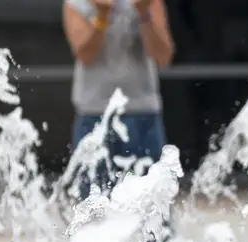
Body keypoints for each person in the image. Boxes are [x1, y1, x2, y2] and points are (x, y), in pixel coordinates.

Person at [63, 0, 175, 194]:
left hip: (142, 113)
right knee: (94, 210)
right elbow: (85, 55)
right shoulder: (76, 3)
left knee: (152, 210)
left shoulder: (148, 2)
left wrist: (144, 14)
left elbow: (162, 56)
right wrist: (101, 18)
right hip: (94, 115)